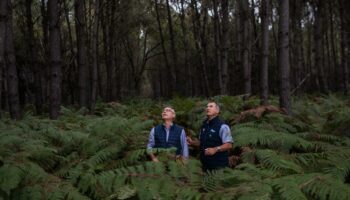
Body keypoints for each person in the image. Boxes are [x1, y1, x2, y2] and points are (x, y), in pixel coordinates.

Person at [187, 101, 233, 171]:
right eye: (207, 106)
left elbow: (229, 145)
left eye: (211, 106)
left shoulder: (223, 126)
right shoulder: (204, 126)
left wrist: (215, 149)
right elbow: (202, 143)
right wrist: (192, 142)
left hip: (218, 166)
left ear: (217, 111)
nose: (208, 108)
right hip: (204, 165)